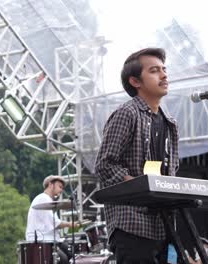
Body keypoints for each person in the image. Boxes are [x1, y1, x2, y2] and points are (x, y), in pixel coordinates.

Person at [95, 47, 179, 263]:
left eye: (164, 69)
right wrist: (139, 187)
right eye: (154, 70)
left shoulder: (170, 122)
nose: (164, 75)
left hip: (163, 223)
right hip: (131, 222)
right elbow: (105, 165)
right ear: (135, 81)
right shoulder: (127, 113)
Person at [25, 175, 80, 262]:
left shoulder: (48, 200)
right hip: (40, 241)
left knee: (72, 253)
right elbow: (54, 223)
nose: (61, 190)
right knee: (64, 259)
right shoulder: (43, 198)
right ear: (51, 185)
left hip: (49, 239)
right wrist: (70, 224)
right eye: (60, 187)